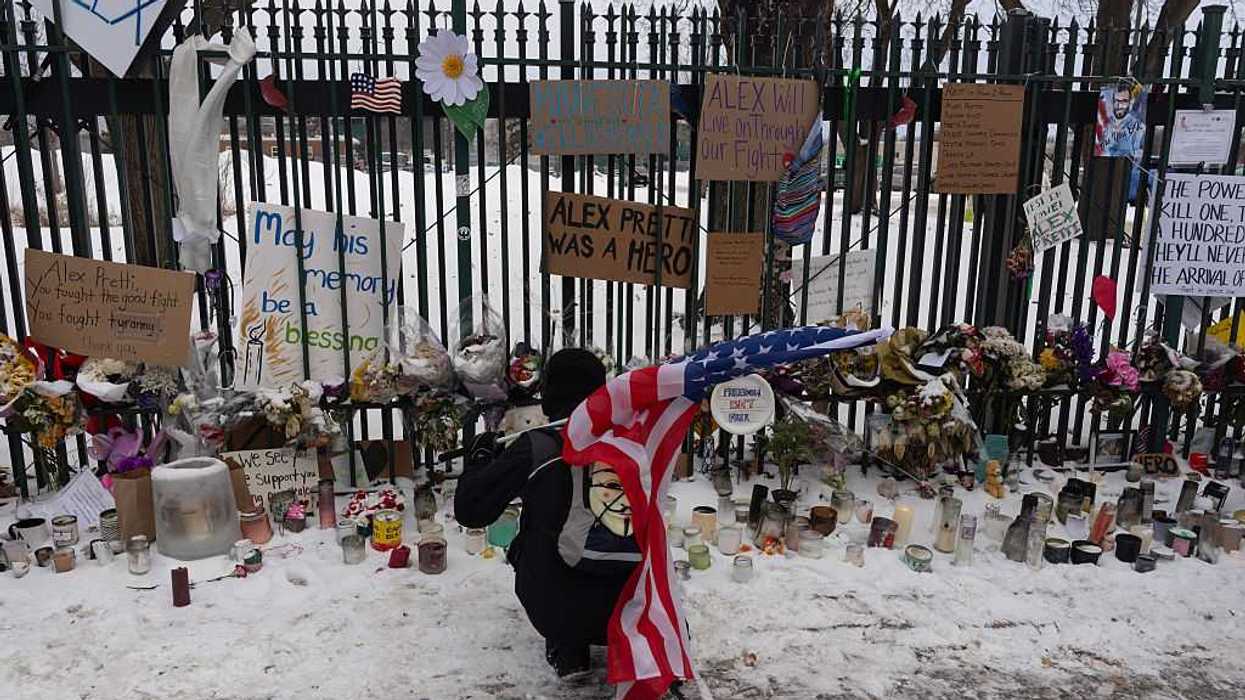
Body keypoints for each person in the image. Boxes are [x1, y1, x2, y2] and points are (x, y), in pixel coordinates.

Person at [455, 348, 639, 679]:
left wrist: (481, 457)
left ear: (549, 394)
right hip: (634, 604)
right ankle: (629, 642)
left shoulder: (538, 446)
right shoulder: (633, 444)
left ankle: (568, 646)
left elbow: (471, 511)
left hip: (558, 607)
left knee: (529, 543)